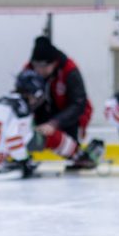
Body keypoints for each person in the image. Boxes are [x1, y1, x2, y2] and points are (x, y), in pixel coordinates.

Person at [0, 70, 103, 178]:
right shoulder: (21, 107)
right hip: (8, 150)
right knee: (50, 135)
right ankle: (79, 156)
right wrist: (24, 161)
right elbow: (14, 138)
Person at [24, 35, 99, 168]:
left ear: (54, 63)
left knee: (66, 142)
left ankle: (79, 154)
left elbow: (79, 103)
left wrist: (54, 123)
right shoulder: (29, 69)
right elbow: (21, 94)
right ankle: (20, 156)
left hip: (70, 113)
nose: (38, 70)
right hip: (43, 110)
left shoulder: (69, 69)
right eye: (36, 65)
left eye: (43, 66)